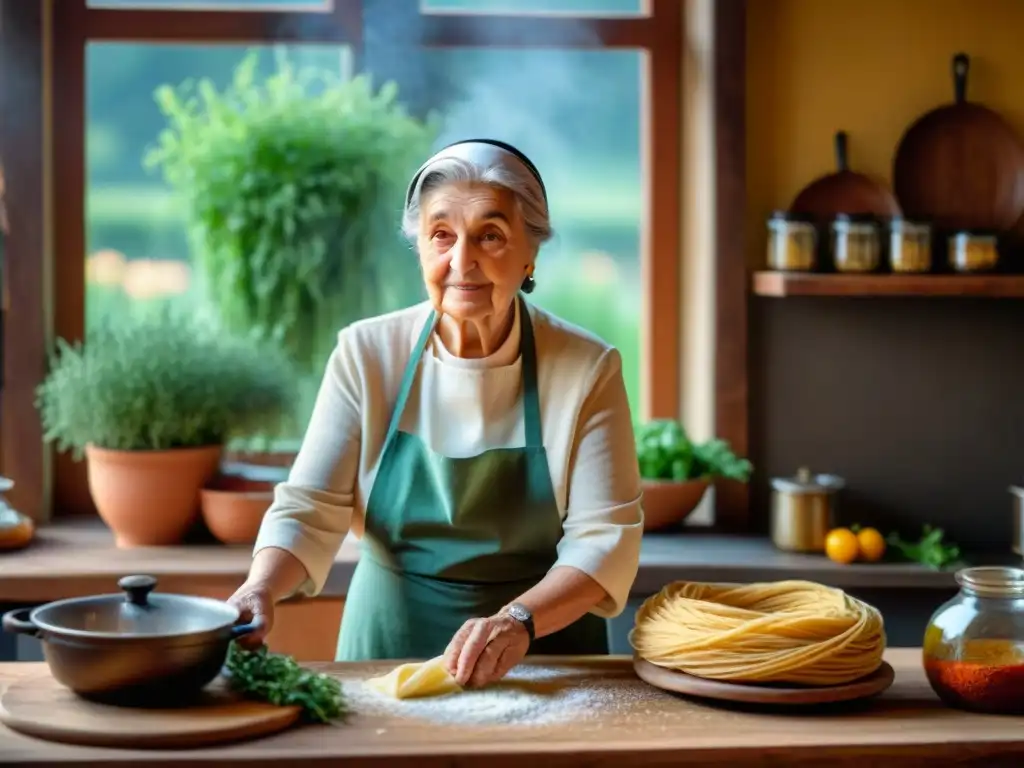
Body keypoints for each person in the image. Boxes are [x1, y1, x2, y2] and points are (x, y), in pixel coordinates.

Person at [229, 138, 644, 689]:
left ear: (530, 255)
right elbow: (310, 508)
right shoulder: (367, 354)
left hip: (545, 658)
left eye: (490, 235)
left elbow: (605, 538)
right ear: (421, 248)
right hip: (385, 654)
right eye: (441, 235)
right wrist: (258, 586)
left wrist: (518, 621)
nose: (461, 261)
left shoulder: (587, 368)